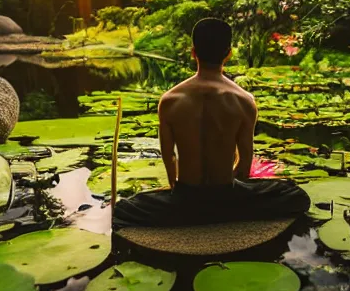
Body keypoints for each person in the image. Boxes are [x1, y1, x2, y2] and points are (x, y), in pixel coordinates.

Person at [113, 18, 310, 229]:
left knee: (123, 209)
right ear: (228, 53)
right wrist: (232, 189)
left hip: (185, 198)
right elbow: (244, 165)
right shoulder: (244, 100)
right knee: (293, 195)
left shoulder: (170, 100)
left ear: (193, 52)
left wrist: (174, 189)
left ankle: (185, 214)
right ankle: (229, 212)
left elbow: (169, 155)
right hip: (227, 196)